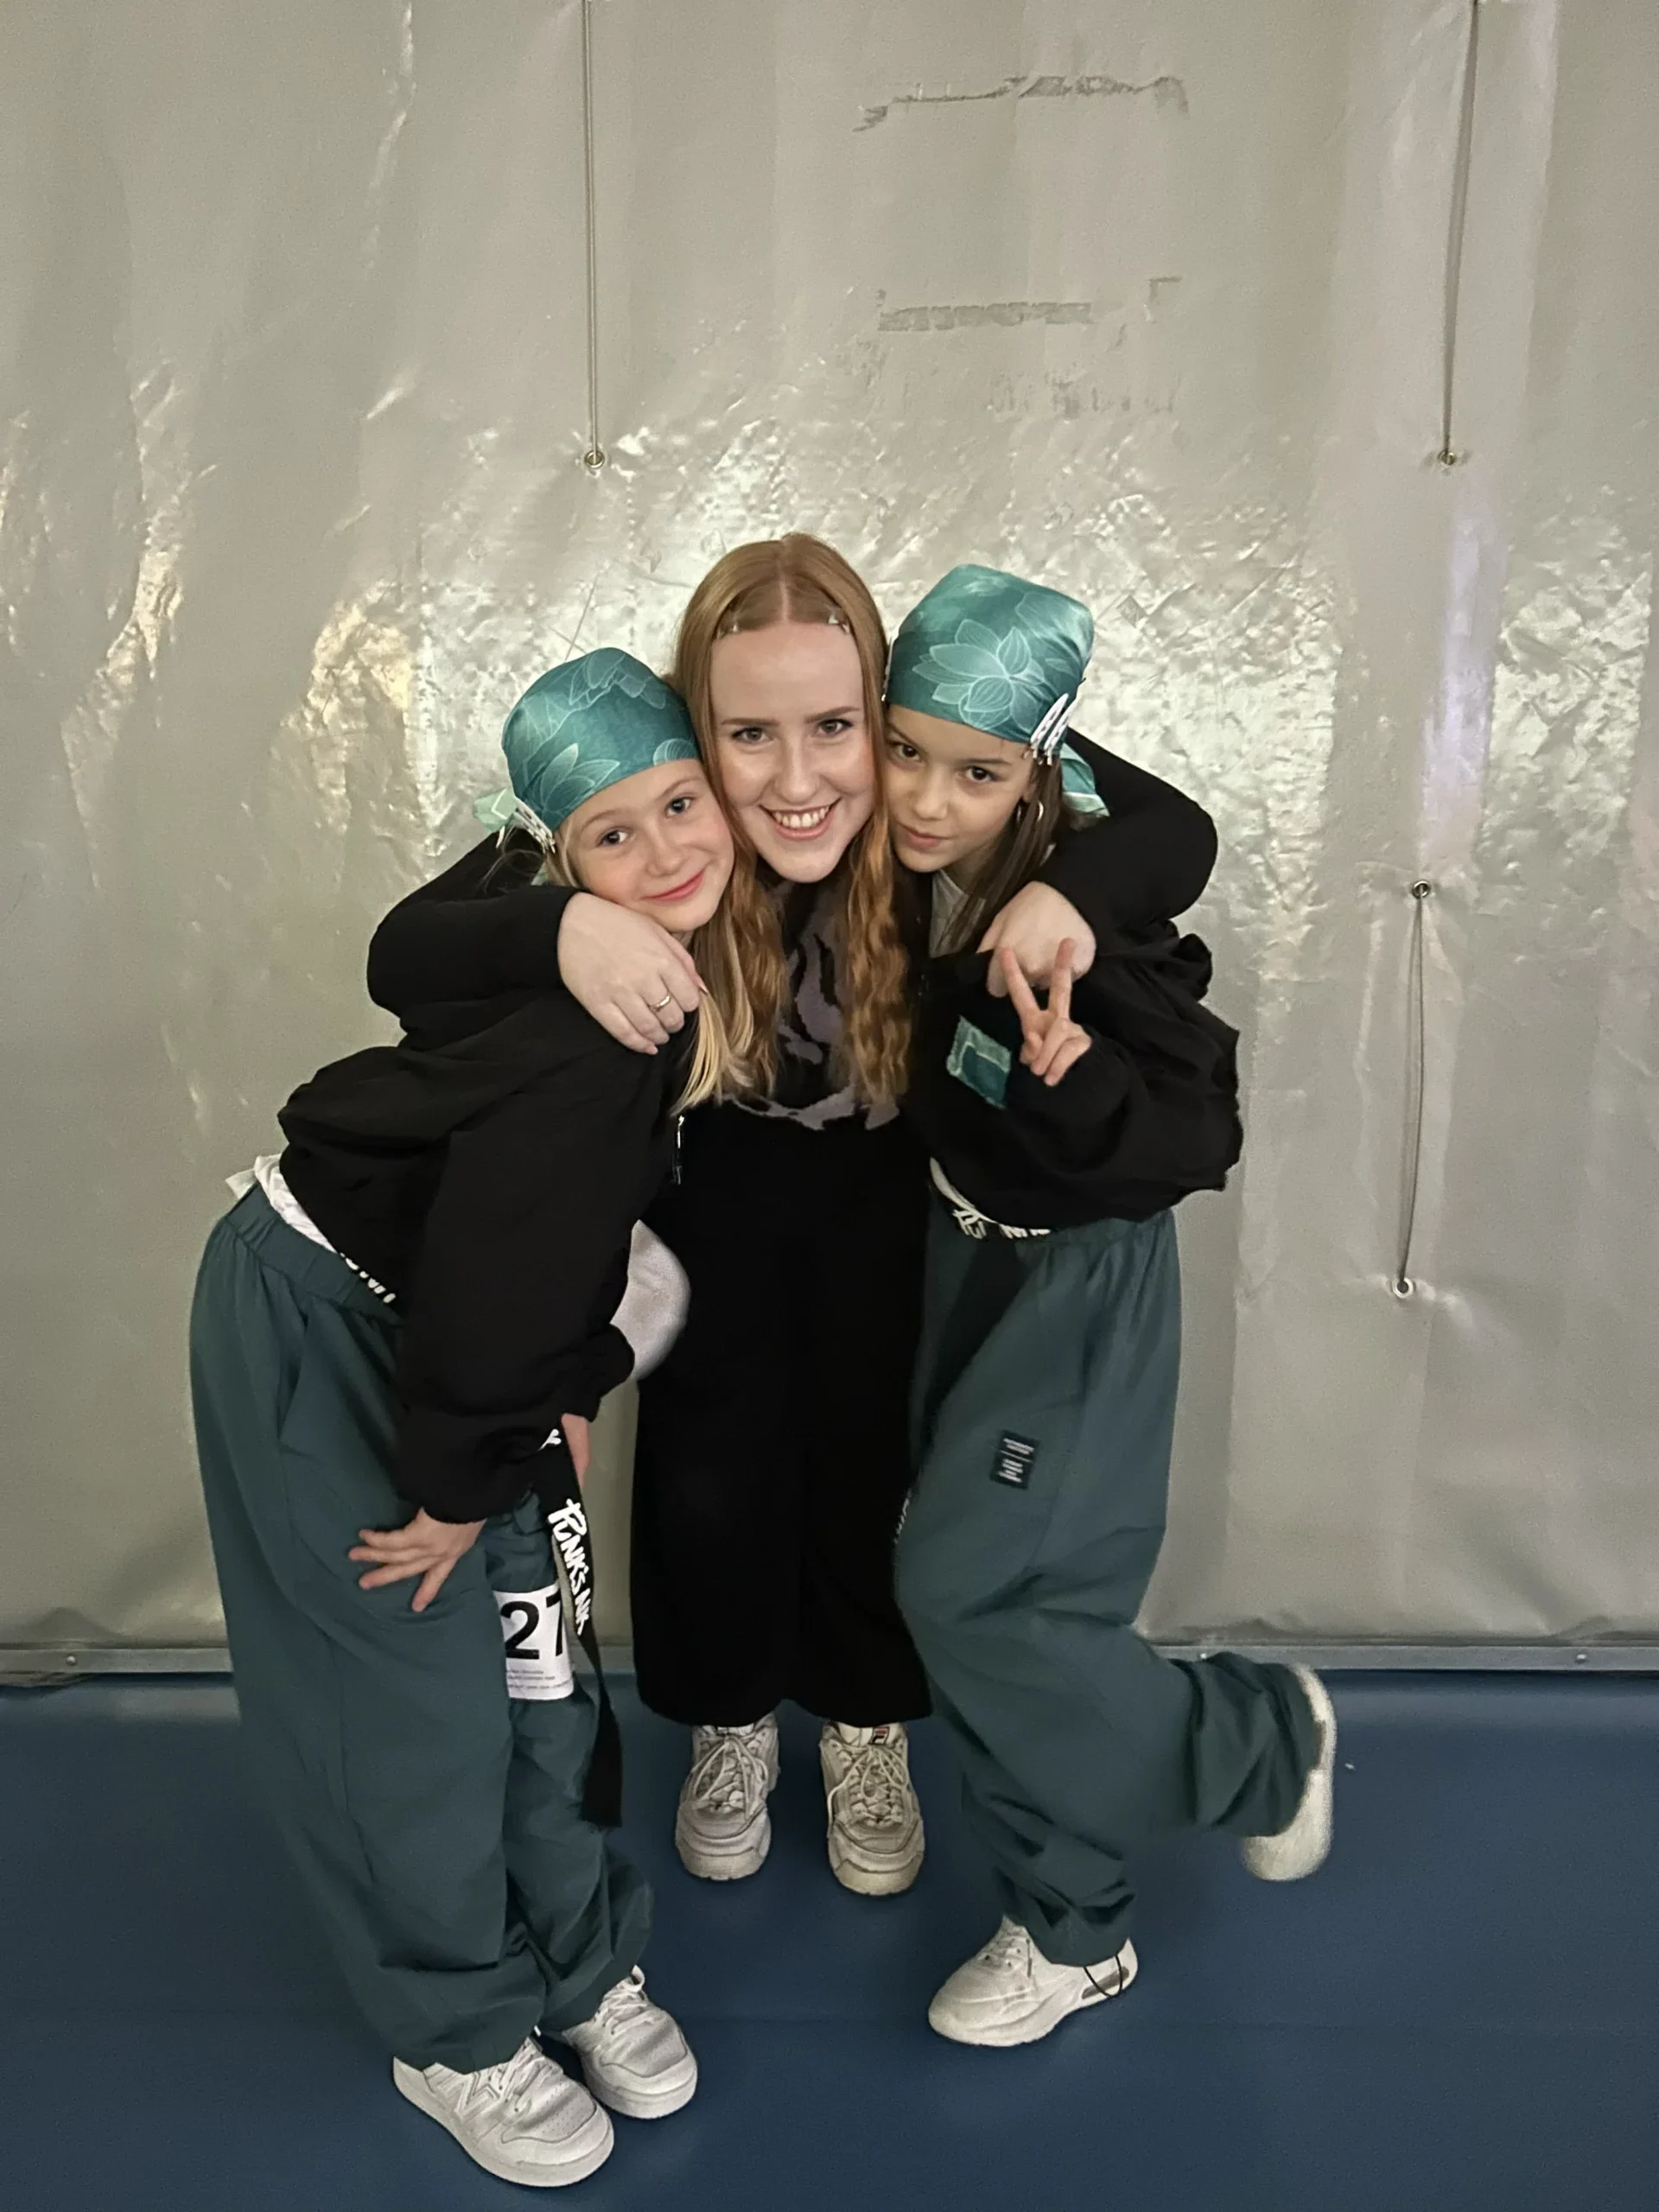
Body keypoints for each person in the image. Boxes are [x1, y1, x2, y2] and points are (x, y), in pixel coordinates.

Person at [364, 536, 1220, 1904]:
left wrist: (1070, 890)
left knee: (876, 1452)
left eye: (833, 728)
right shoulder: (657, 795)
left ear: (887, 707)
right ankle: (731, 1715)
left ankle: (866, 1720)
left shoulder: (933, 778)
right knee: (711, 1463)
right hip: (712, 1180)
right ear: (693, 730)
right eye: (748, 737)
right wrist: (559, 930)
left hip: (891, 1182)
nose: (799, 778)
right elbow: (405, 950)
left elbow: (1172, 830)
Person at [189, 650, 748, 2188]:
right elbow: (503, 1261)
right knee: (410, 1709)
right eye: (612, 836)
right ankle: (451, 2029)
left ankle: (579, 1964)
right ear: (554, 854)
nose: (664, 852)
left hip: (473, 1338)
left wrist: (552, 1397)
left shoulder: (659, 964)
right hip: (332, 1322)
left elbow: (532, 1261)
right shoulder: (597, 1016)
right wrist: (453, 1491)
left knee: (539, 1669)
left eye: (682, 805)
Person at [880, 564, 1338, 2048]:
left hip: (1072, 1284)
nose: (927, 799)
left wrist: (1078, 1080)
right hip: (964, 1255)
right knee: (994, 1611)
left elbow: (1194, 1143)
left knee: (981, 1597)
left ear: (1039, 767)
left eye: (976, 771)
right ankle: (1070, 1922)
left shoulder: (1087, 924)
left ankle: (1256, 1744)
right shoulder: (910, 838)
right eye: (904, 750)